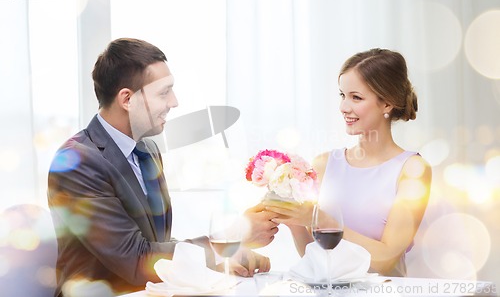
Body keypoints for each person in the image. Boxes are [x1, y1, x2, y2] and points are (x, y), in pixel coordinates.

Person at [47, 38, 274, 296]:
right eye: (164, 92)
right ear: (127, 99)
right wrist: (229, 240)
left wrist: (222, 261)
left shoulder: (147, 151)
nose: (174, 102)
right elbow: (135, 258)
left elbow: (156, 247)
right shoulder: (79, 163)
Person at [265, 48, 432, 276]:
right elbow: (316, 257)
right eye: (342, 95)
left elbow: (386, 260)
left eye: (356, 97)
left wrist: (320, 220)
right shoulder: (324, 164)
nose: (344, 107)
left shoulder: (412, 169)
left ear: (387, 104)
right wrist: (293, 219)